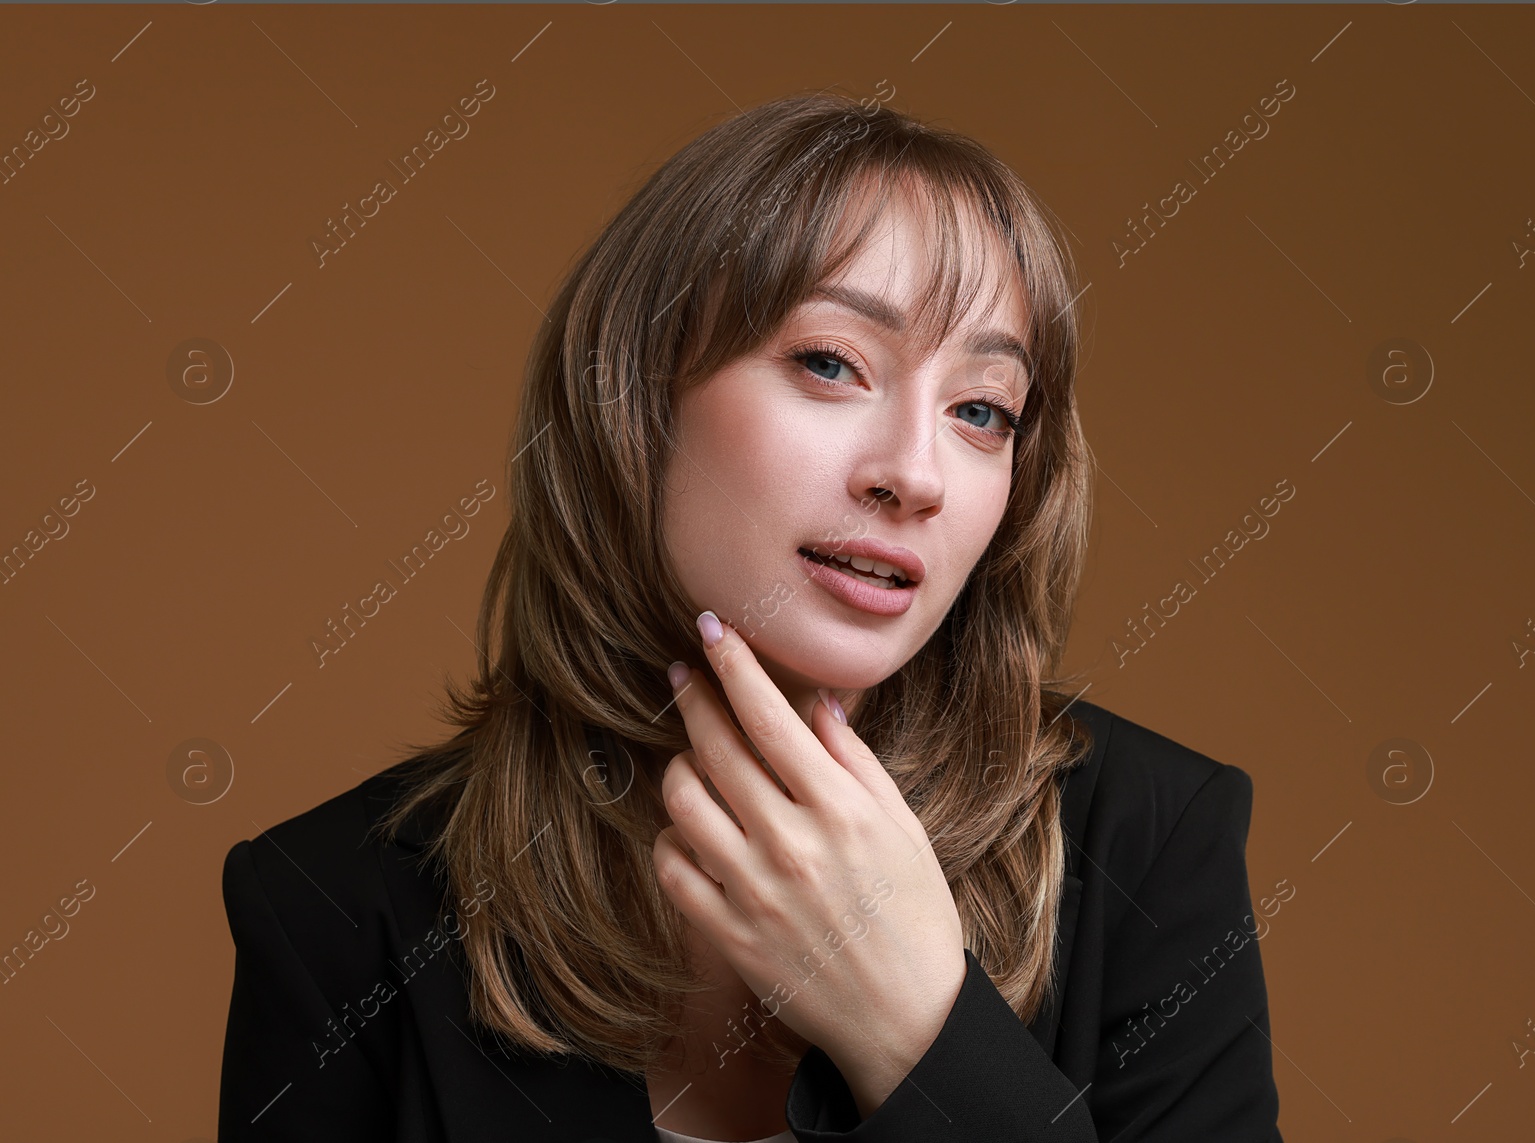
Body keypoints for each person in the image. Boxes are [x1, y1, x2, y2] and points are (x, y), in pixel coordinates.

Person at [217, 89, 1284, 1143]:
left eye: (980, 411)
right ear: (632, 401)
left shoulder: (1149, 843)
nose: (914, 476)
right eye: (830, 362)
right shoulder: (336, 907)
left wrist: (921, 1034)